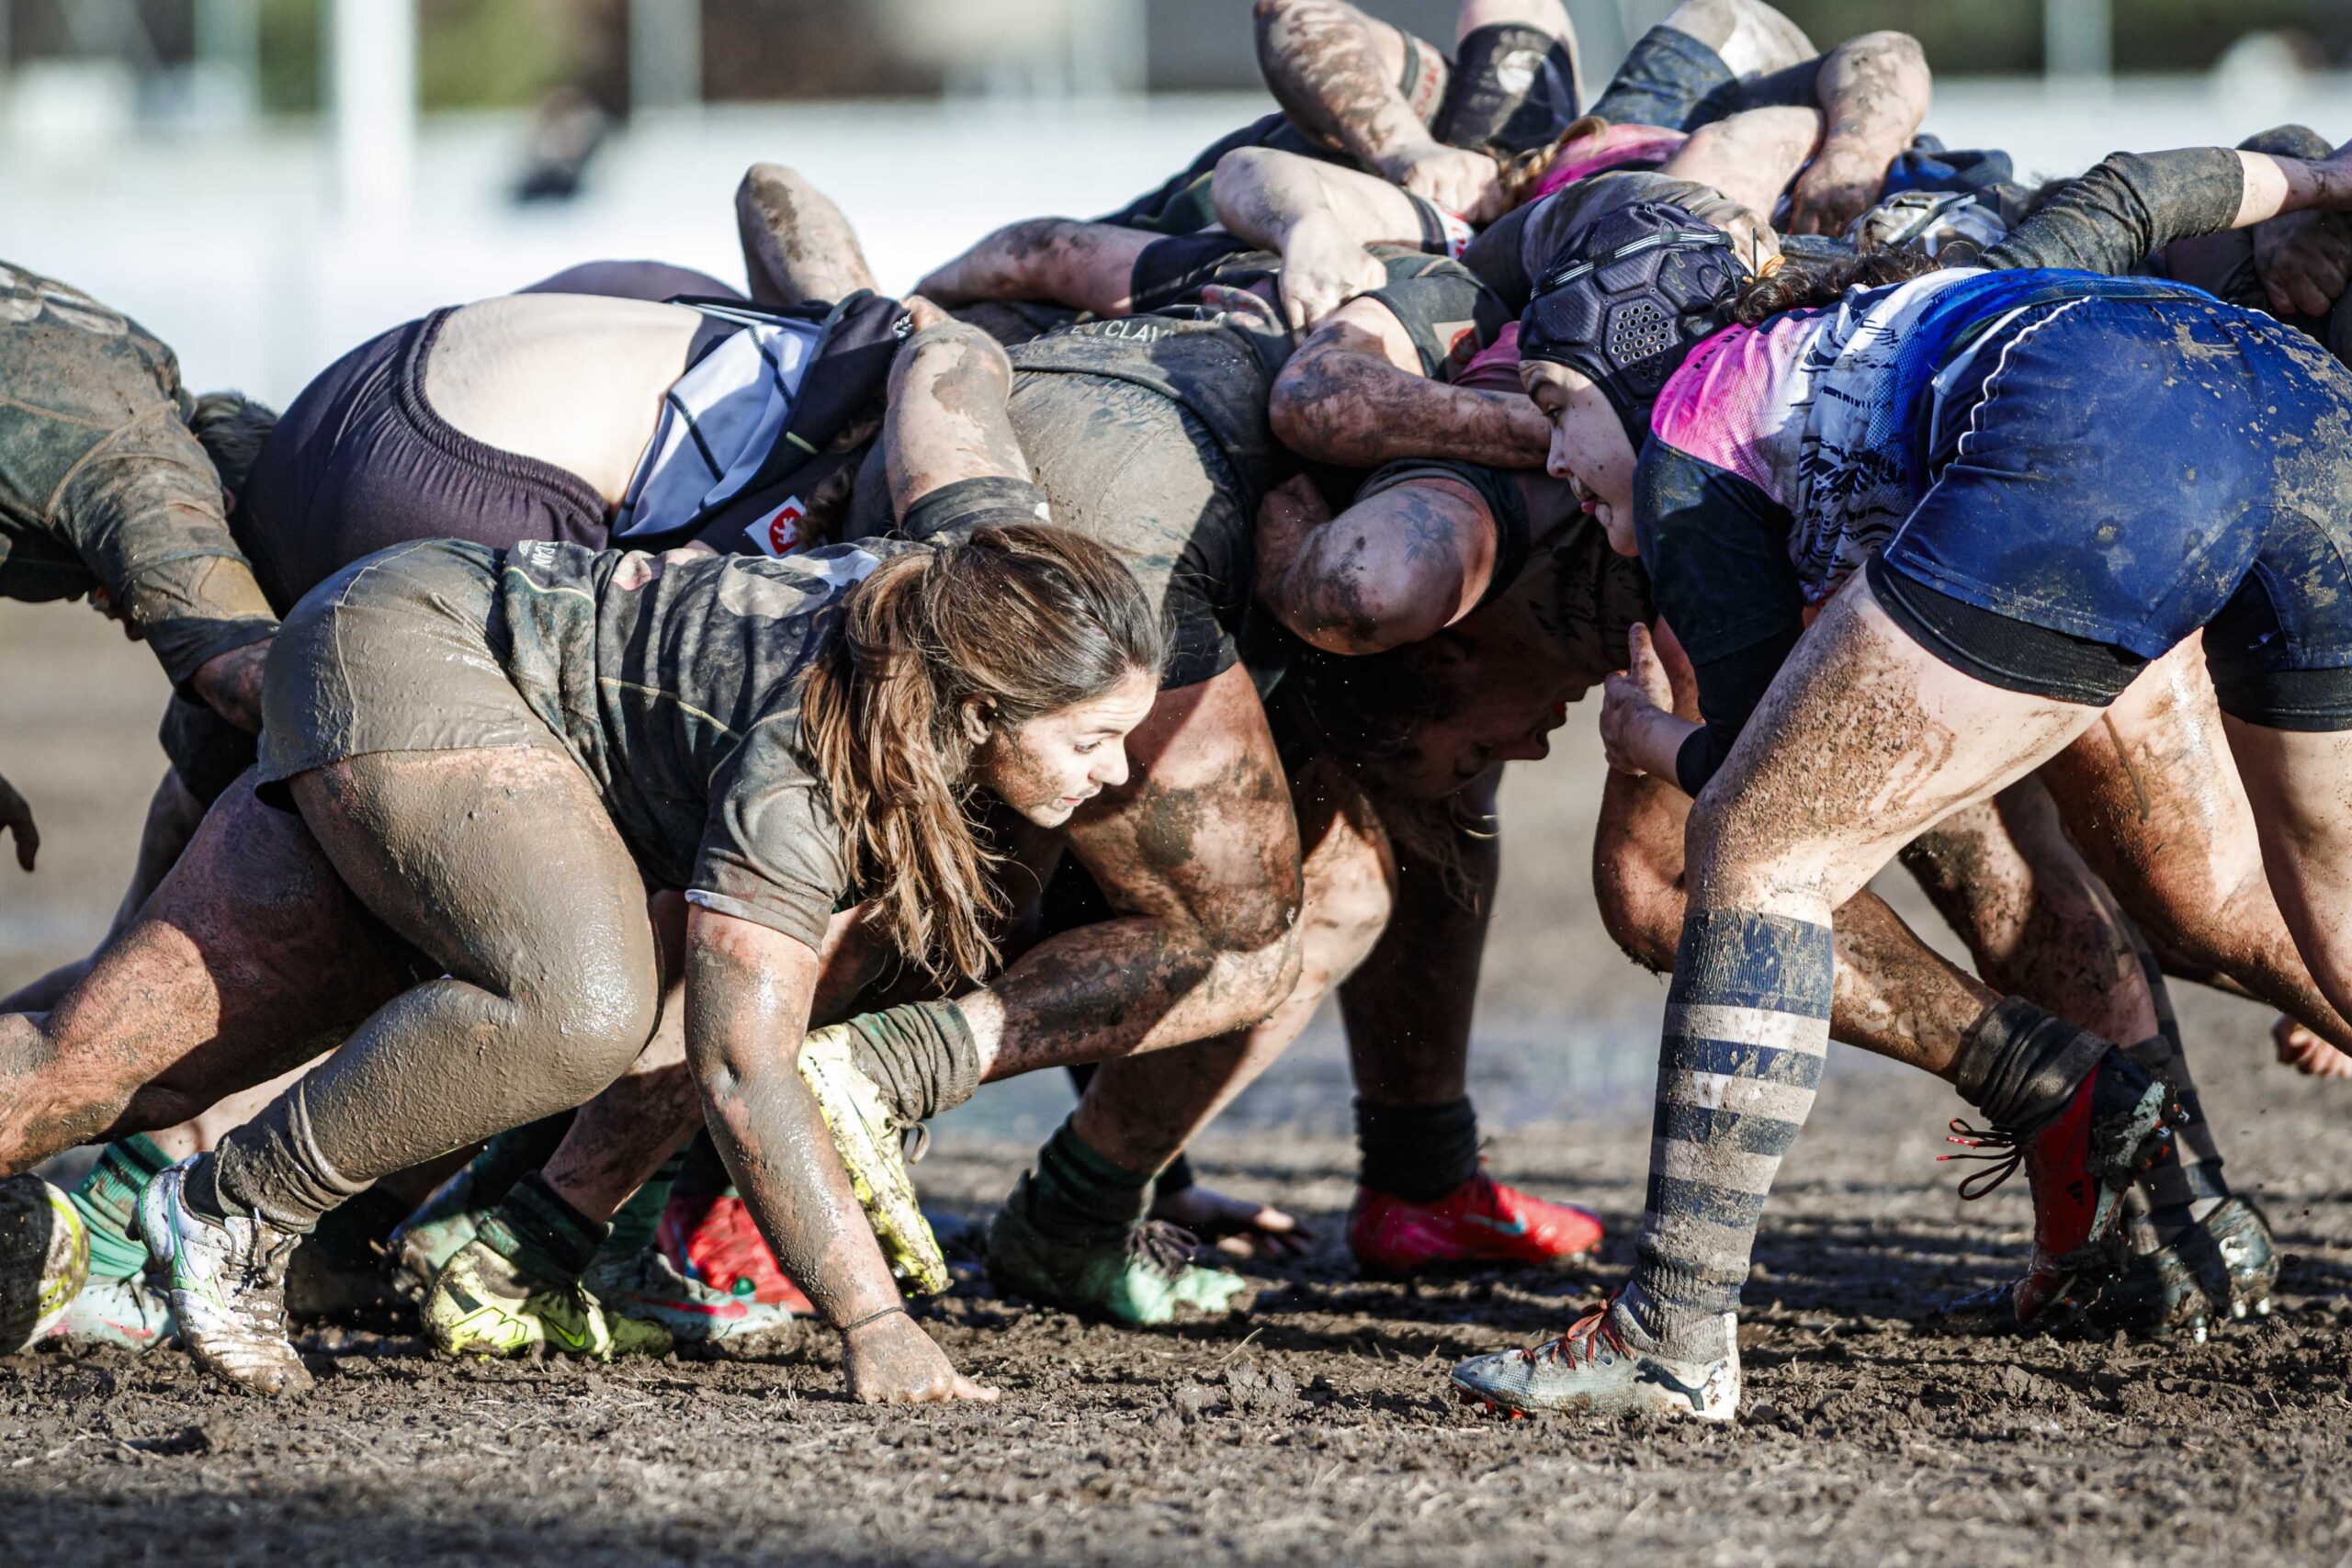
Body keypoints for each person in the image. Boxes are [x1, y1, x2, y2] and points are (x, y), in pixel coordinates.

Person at [1443, 137, 2352, 1418]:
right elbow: (2133, 195)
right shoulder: (1900, 309)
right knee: (2315, 917)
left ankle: (1671, 1336)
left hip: (2096, 440)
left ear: (1620, 367)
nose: (1550, 459)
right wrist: (2325, 183)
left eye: (1554, 407)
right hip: (2301, 403)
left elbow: (1757, 791)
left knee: (1755, 850)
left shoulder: (1691, 425)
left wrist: (1650, 742)